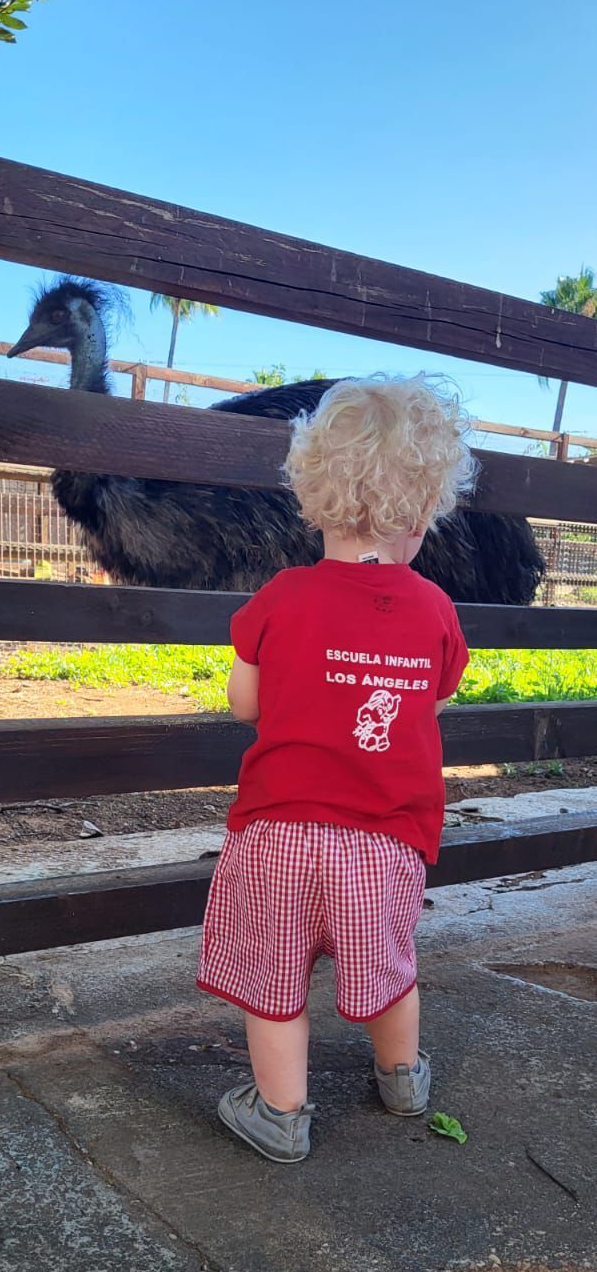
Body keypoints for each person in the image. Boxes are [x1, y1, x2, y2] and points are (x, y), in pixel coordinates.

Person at [197, 376, 473, 1162]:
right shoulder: (433, 610)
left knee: (276, 982)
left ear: (312, 496)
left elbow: (246, 705)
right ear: (424, 511)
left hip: (281, 832)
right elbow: (430, 700)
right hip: (385, 840)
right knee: (389, 964)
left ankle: (280, 1115)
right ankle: (402, 1080)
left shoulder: (281, 596)